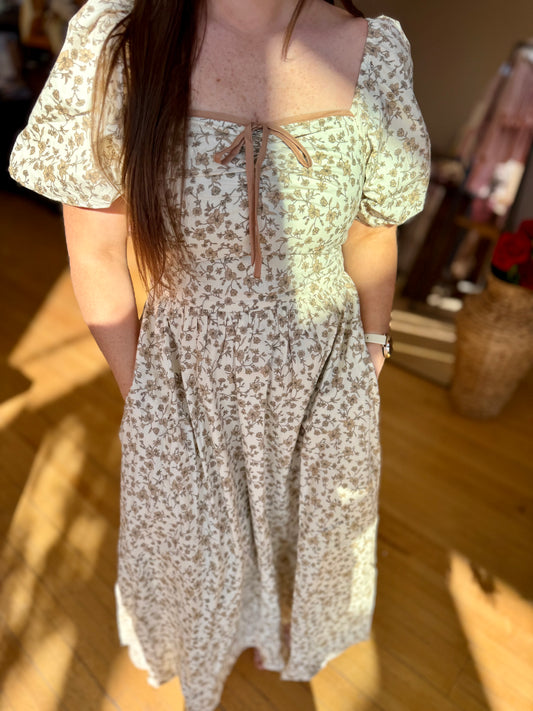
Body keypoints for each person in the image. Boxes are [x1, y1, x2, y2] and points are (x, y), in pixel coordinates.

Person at [8, 0, 431, 708]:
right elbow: (97, 250)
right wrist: (145, 395)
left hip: (323, 374)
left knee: (300, 533)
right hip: (186, 377)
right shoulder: (119, 41)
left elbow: (369, 232)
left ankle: (270, 629)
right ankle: (211, 651)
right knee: (193, 553)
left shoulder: (374, 51)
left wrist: (372, 348)